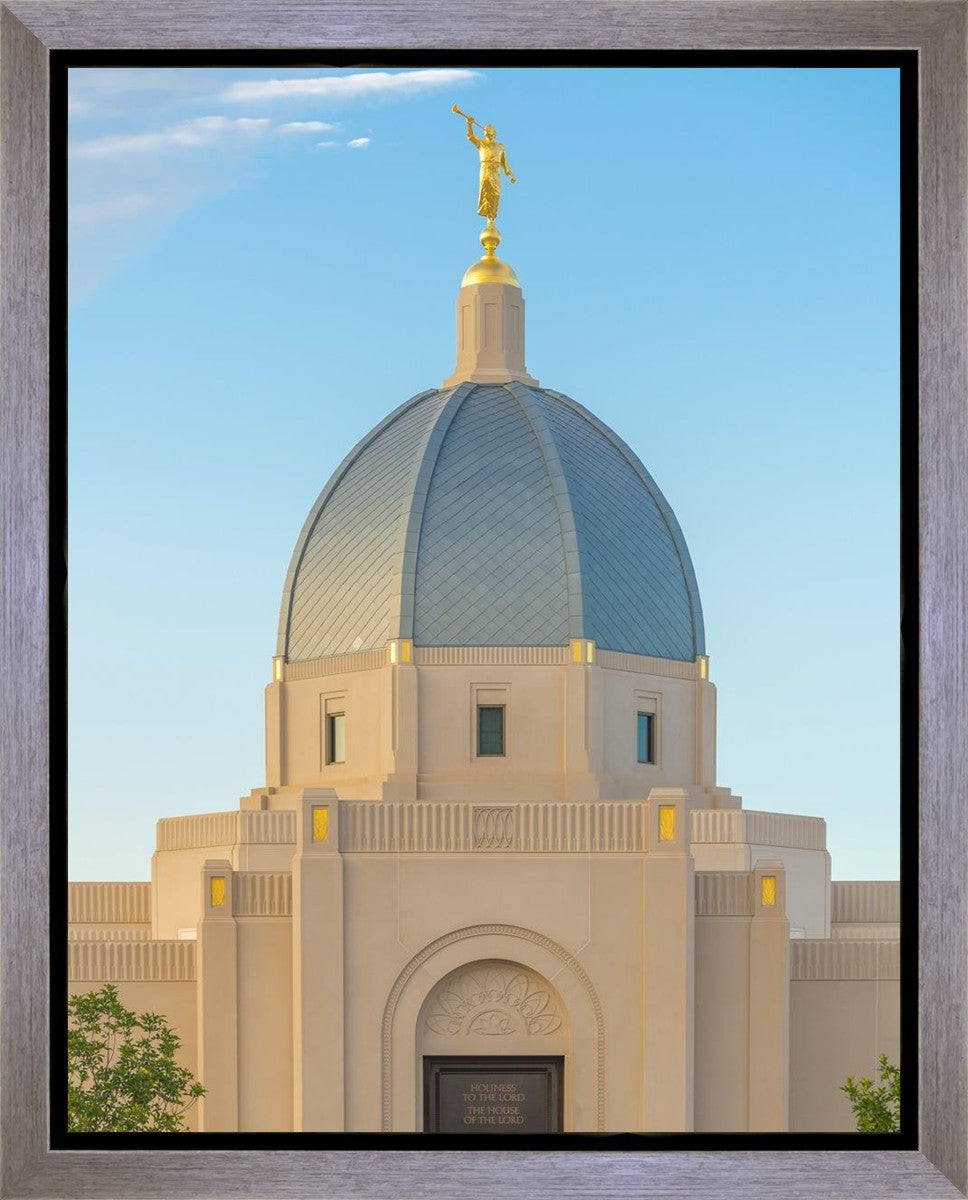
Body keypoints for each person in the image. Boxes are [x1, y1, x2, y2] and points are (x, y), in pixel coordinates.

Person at [464, 118, 516, 222]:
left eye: (491, 129)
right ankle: (488, 216)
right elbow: (471, 137)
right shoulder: (481, 143)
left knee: (496, 193)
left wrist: (511, 174)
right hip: (486, 168)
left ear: (494, 133)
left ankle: (492, 215)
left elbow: (504, 163)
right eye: (487, 129)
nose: (488, 131)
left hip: (495, 170)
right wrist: (469, 124)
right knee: (485, 190)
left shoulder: (500, 146)